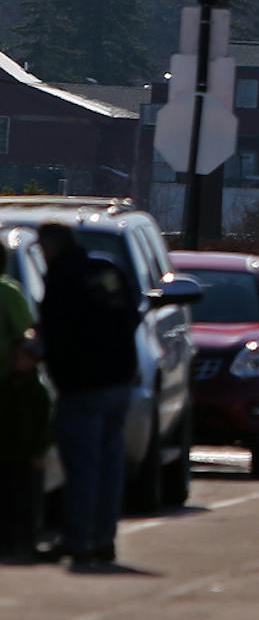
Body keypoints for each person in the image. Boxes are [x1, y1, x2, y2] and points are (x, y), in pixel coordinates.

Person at [36, 223, 139, 570]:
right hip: (118, 381)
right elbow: (131, 316)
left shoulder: (63, 279)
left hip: (81, 386)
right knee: (109, 465)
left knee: (81, 467)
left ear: (52, 246)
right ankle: (103, 538)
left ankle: (80, 540)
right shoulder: (107, 270)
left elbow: (53, 330)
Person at [0, 265, 53, 562]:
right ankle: (20, 540)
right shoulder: (9, 293)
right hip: (9, 394)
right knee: (20, 487)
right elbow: (27, 333)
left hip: (13, 403)